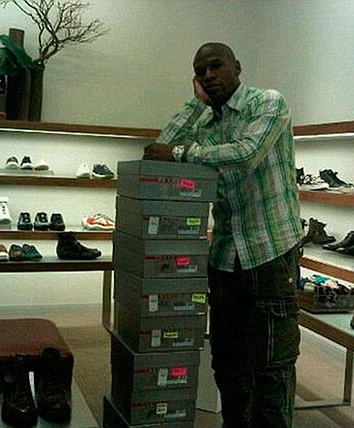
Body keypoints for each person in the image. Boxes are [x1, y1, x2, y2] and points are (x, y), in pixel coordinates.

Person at [144, 42, 303, 428]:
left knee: (271, 368)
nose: (209, 75)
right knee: (228, 365)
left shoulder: (268, 103)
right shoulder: (204, 122)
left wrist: (182, 154)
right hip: (225, 257)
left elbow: (246, 154)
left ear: (238, 66)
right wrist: (195, 102)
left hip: (270, 252)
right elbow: (159, 149)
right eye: (201, 71)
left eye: (216, 66)